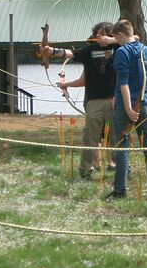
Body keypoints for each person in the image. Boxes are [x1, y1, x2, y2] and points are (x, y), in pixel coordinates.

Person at [41, 22, 118, 179]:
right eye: (97, 33)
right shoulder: (90, 50)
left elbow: (134, 39)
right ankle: (86, 170)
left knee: (117, 137)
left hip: (115, 100)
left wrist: (113, 42)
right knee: (90, 137)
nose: (98, 36)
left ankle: (123, 167)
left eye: (103, 33)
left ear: (111, 35)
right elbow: (70, 53)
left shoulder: (120, 49)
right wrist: (51, 51)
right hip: (94, 101)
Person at [106, 19, 147, 200]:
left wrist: (128, 108)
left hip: (128, 106)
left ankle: (120, 190)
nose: (117, 41)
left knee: (122, 147)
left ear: (121, 35)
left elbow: (123, 82)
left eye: (116, 38)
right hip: (144, 104)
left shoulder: (122, 52)